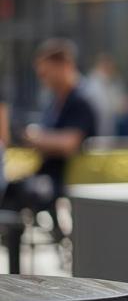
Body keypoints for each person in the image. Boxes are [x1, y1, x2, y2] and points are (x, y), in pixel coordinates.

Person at [1, 39, 97, 241]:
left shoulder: (81, 99)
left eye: (46, 72)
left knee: (23, 194)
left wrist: (37, 138)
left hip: (66, 179)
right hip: (48, 175)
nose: (42, 78)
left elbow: (70, 143)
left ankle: (56, 237)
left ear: (64, 66)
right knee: (12, 192)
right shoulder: (55, 101)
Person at [79, 53, 128, 138]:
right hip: (95, 132)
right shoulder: (91, 85)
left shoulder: (113, 83)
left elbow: (120, 107)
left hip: (109, 131)